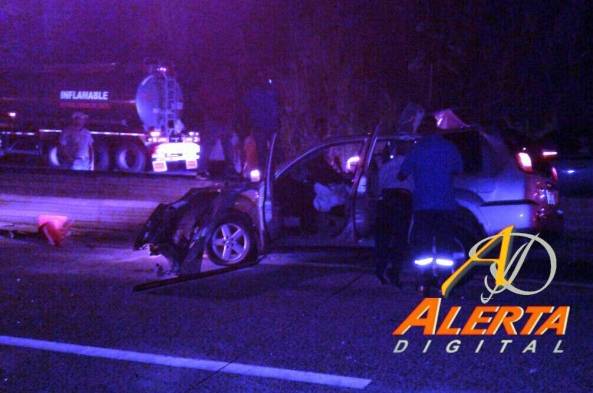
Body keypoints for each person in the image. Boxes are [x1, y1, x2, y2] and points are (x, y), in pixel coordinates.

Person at [397, 130, 463, 279]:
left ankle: (425, 279)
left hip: (423, 205)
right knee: (445, 243)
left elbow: (401, 175)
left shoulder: (417, 149)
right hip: (445, 204)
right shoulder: (449, 147)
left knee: (423, 243)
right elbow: (459, 169)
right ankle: (445, 278)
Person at [373, 143, 413, 286]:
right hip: (402, 201)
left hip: (385, 200)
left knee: (383, 238)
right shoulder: (412, 165)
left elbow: (378, 186)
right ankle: (394, 272)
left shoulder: (386, 166)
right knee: (399, 239)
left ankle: (380, 269)